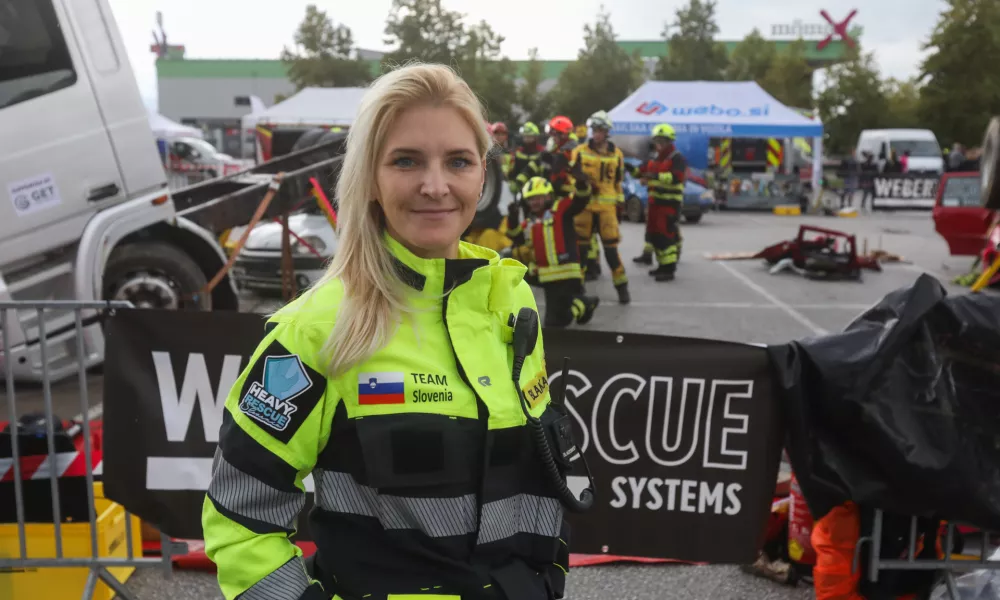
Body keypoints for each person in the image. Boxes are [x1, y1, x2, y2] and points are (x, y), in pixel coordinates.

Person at [202, 63, 587, 600]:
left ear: (483, 175)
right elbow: (238, 518)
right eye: (406, 161)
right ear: (372, 180)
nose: (436, 186)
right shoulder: (313, 331)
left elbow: (538, 474)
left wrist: (550, 575)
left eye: (458, 161)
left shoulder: (511, 301)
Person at [506, 175, 599, 327]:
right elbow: (516, 238)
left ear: (549, 196)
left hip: (567, 273)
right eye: (531, 199)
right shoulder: (531, 222)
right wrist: (513, 218)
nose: (534, 202)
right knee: (551, 321)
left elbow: (580, 200)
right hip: (547, 276)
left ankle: (584, 303)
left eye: (538, 198)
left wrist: (581, 183)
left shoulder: (560, 209)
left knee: (558, 322)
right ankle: (582, 303)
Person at [570, 110, 630, 304]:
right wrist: (581, 182)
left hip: (607, 209)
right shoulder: (580, 151)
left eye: (600, 130)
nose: (596, 133)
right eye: (594, 129)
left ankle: (622, 288)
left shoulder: (616, 154)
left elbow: (619, 182)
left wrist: (620, 206)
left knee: (611, 251)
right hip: (584, 208)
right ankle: (576, 290)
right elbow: (571, 175)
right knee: (581, 250)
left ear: (606, 132)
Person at [631, 123, 686, 282]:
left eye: (662, 141)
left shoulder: (677, 158)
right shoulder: (654, 158)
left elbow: (677, 177)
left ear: (669, 141)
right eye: (657, 141)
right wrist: (629, 169)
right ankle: (662, 266)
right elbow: (640, 171)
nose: (659, 144)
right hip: (655, 203)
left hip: (669, 204)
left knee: (666, 236)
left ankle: (669, 269)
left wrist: (653, 176)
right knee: (654, 236)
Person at [508, 121, 544, 195]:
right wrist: (513, 182)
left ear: (535, 138)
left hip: (537, 188)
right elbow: (513, 171)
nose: (527, 139)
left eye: (530, 137)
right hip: (520, 187)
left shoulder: (542, 152)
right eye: (525, 137)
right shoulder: (518, 153)